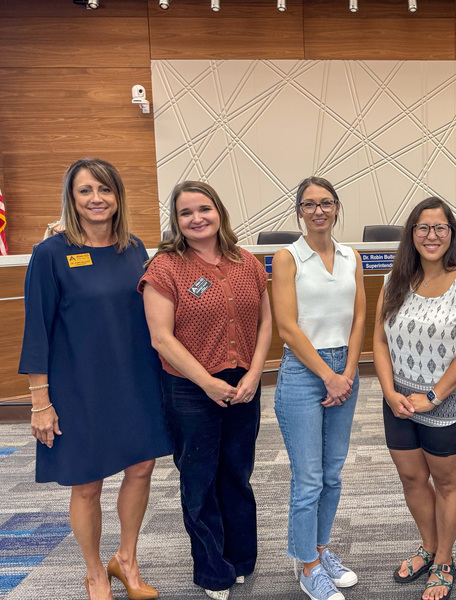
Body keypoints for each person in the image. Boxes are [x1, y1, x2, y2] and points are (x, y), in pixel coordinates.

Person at [19, 158, 172, 600]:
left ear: (117, 196)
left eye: (104, 190)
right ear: (72, 197)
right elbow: (37, 331)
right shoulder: (50, 253)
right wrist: (40, 401)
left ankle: (126, 559)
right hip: (79, 388)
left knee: (141, 467)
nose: (96, 199)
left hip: (135, 379)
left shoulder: (135, 248)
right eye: (86, 191)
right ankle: (94, 573)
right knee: (87, 481)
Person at [140, 181, 272, 600]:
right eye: (185, 212)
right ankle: (213, 571)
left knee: (237, 473)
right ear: (176, 221)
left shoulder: (246, 261)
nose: (197, 218)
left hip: (243, 384)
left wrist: (254, 374)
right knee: (199, 480)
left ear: (219, 212)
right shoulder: (165, 267)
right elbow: (162, 338)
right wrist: (207, 381)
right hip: (189, 388)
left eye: (204, 209)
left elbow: (265, 323)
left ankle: (242, 559)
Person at [374, 197, 456, 600]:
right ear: (412, 234)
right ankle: (427, 546)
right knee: (411, 477)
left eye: (440, 228)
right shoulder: (395, 280)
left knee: (445, 482)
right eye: (423, 228)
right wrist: (390, 392)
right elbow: (380, 339)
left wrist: (432, 396)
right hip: (399, 400)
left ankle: (444, 559)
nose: (431, 236)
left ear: (452, 234)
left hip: (450, 401)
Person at [271, 176, 366, 600]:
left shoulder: (351, 256)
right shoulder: (288, 257)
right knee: (308, 478)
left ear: (337, 207)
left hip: (345, 368)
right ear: (299, 211)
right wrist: (329, 376)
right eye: (309, 204)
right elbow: (287, 327)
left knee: (332, 473)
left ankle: (321, 548)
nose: (318, 211)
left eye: (326, 203)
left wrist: (346, 371)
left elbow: (360, 317)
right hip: (303, 373)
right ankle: (306, 565)